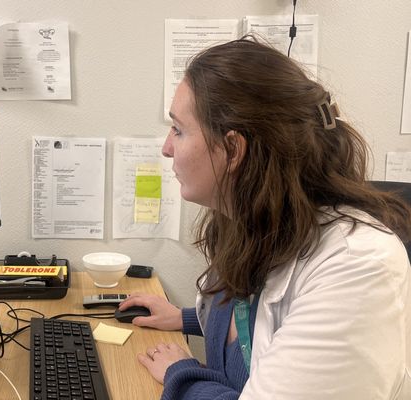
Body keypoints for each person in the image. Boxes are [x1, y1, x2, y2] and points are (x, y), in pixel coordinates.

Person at [118, 36, 411, 399]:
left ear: (232, 149)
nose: (166, 148)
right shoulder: (253, 220)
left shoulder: (358, 267)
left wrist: (182, 374)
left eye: (178, 129)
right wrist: (186, 317)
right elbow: (253, 318)